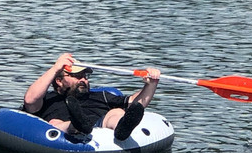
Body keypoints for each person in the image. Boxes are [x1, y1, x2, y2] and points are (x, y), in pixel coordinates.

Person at [23, 53, 160, 141]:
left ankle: (122, 129)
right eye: (77, 76)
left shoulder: (101, 96)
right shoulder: (48, 99)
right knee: (55, 122)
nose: (83, 79)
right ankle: (77, 124)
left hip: (100, 130)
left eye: (85, 76)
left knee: (116, 112)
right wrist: (55, 69)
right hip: (65, 131)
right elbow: (30, 100)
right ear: (59, 80)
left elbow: (134, 103)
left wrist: (151, 84)